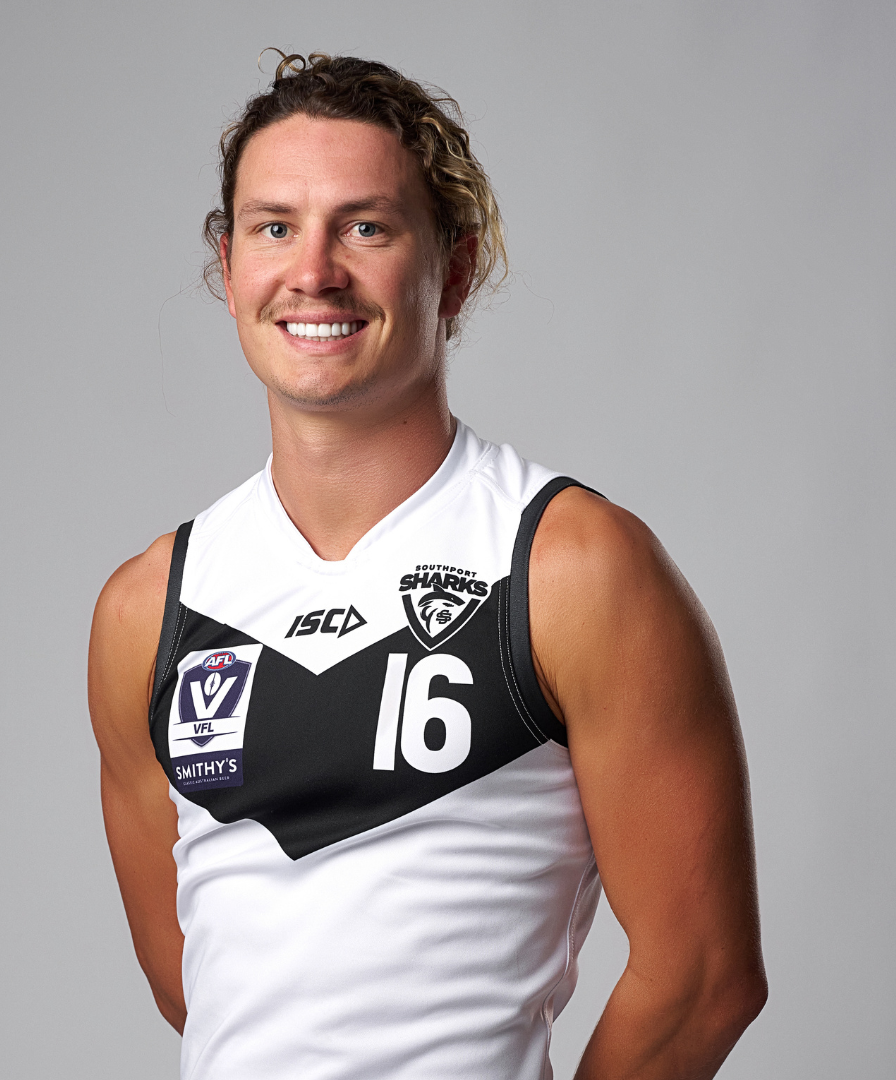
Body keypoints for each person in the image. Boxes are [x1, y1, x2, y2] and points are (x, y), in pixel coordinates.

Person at [88, 52, 766, 1080]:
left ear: (455, 268)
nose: (314, 272)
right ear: (229, 268)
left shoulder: (573, 570)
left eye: (365, 227)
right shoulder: (149, 609)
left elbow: (705, 978)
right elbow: (200, 983)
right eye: (275, 227)